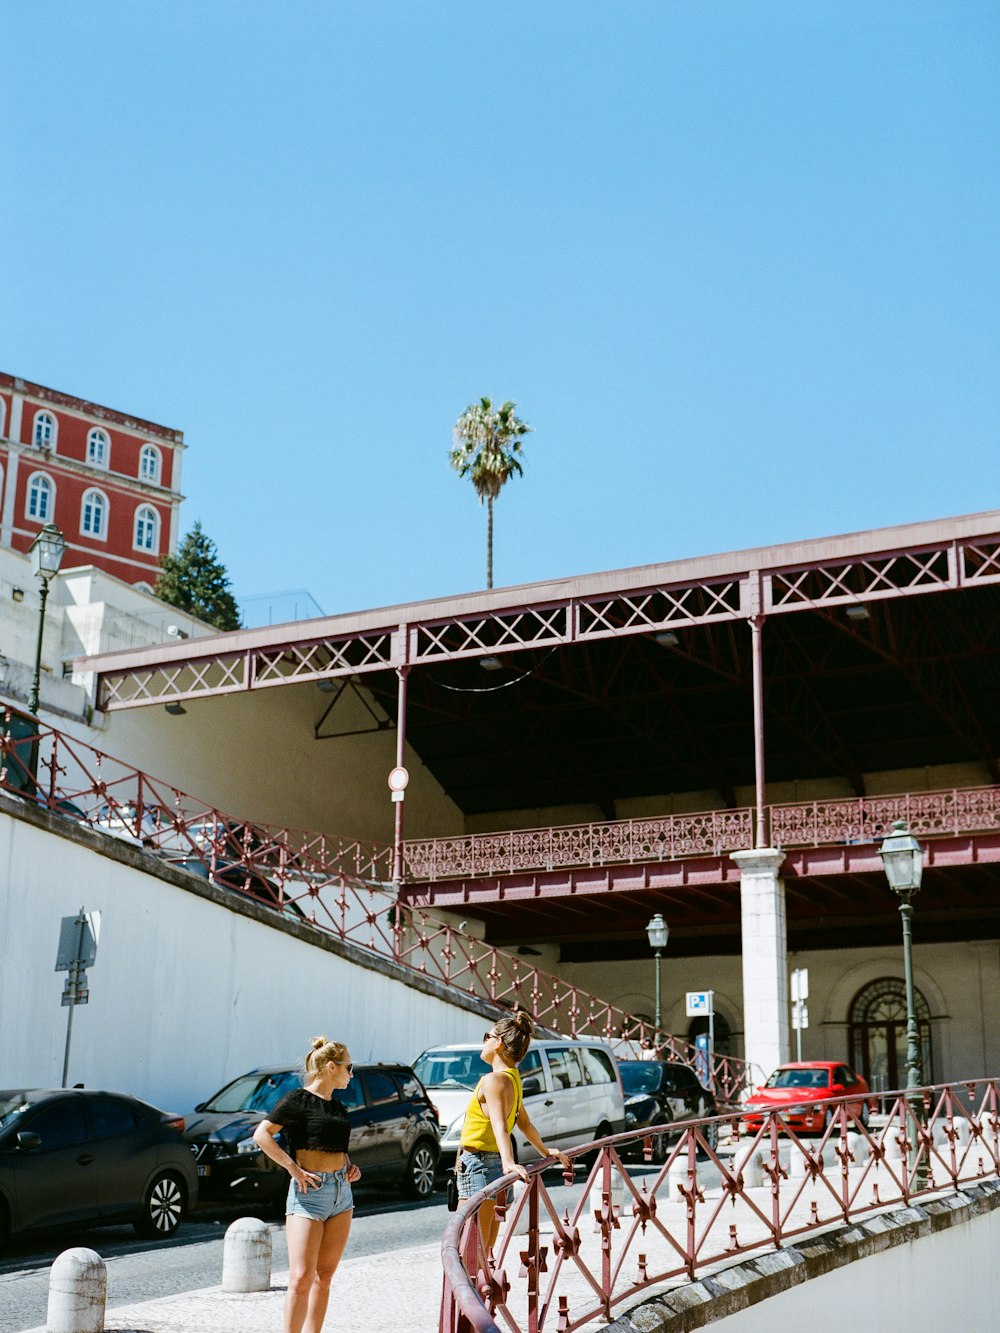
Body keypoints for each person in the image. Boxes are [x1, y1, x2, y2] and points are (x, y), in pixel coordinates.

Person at [253, 1037, 362, 1333]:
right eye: (348, 1067)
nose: (351, 1073)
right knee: (300, 1278)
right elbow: (262, 1135)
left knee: (324, 1277)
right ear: (330, 1067)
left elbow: (337, 1147)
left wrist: (350, 1167)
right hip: (308, 1194)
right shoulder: (296, 1100)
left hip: (342, 1193)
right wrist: (293, 1168)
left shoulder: (338, 1106)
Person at [457, 1011, 572, 1247]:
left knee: (465, 1245)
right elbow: (524, 1123)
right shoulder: (513, 1078)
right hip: (495, 1165)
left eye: (486, 1036)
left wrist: (508, 1161)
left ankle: (473, 1285)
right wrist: (543, 1150)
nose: (484, 1042)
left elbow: (500, 1125)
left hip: (478, 1164)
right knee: (483, 1246)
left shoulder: (493, 1080)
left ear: (498, 1043)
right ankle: (481, 1284)